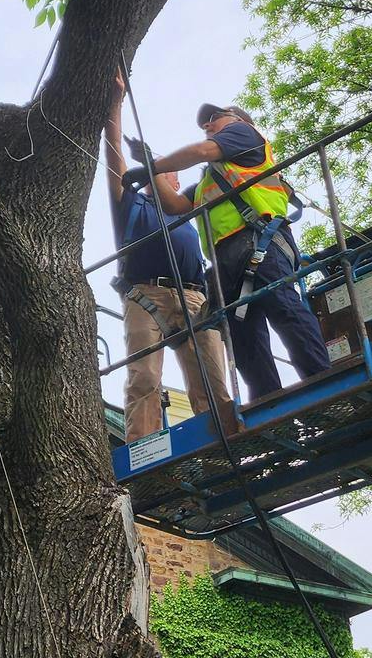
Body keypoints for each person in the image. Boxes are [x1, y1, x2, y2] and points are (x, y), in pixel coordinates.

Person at [151, 102, 333, 403]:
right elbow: (174, 206)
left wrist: (157, 166)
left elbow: (201, 151)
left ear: (238, 119)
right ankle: (269, 400)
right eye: (204, 124)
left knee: (284, 310)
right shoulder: (208, 181)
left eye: (214, 119)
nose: (208, 125)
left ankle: (323, 380)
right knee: (242, 333)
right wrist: (151, 167)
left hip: (261, 240)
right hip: (226, 258)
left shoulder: (245, 134)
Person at [104, 85, 237, 441]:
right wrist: (114, 107)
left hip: (195, 297)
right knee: (144, 375)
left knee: (211, 376)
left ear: (176, 179)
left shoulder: (187, 210)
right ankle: (142, 446)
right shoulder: (132, 205)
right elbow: (115, 157)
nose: (159, 172)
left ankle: (223, 440)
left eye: (166, 169)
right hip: (146, 295)